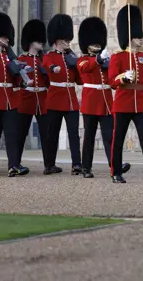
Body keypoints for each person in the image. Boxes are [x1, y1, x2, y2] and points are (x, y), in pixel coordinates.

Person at [108, 4, 143, 184]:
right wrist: (123, 76)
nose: (141, 38)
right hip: (123, 103)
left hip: (141, 102)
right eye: (137, 36)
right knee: (119, 139)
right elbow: (112, 82)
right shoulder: (118, 58)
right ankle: (116, 172)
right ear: (130, 37)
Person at [77, 16, 131, 178]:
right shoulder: (82, 60)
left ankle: (114, 165)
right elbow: (86, 68)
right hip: (91, 103)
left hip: (106, 102)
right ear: (87, 46)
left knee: (110, 136)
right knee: (89, 137)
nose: (97, 46)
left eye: (99, 44)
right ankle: (86, 167)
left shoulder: (106, 60)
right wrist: (99, 60)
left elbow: (112, 78)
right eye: (94, 44)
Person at [0, 12, 30, 177]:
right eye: (5, 36)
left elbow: (14, 78)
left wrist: (21, 80)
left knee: (12, 134)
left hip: (10, 100)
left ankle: (14, 165)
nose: (8, 40)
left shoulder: (10, 57)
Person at [42, 13, 83, 175]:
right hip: (55, 97)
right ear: (59, 41)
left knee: (74, 133)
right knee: (52, 133)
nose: (68, 43)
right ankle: (49, 164)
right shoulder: (49, 56)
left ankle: (76, 164)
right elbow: (48, 66)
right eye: (66, 40)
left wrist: (77, 65)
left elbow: (79, 80)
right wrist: (54, 69)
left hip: (70, 98)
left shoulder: (71, 57)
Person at [16, 20, 54, 174]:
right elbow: (18, 80)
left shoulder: (44, 60)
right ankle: (16, 163)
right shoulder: (21, 60)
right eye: (39, 41)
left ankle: (49, 165)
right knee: (21, 133)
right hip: (26, 98)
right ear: (31, 43)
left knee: (47, 134)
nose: (42, 44)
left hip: (42, 99)